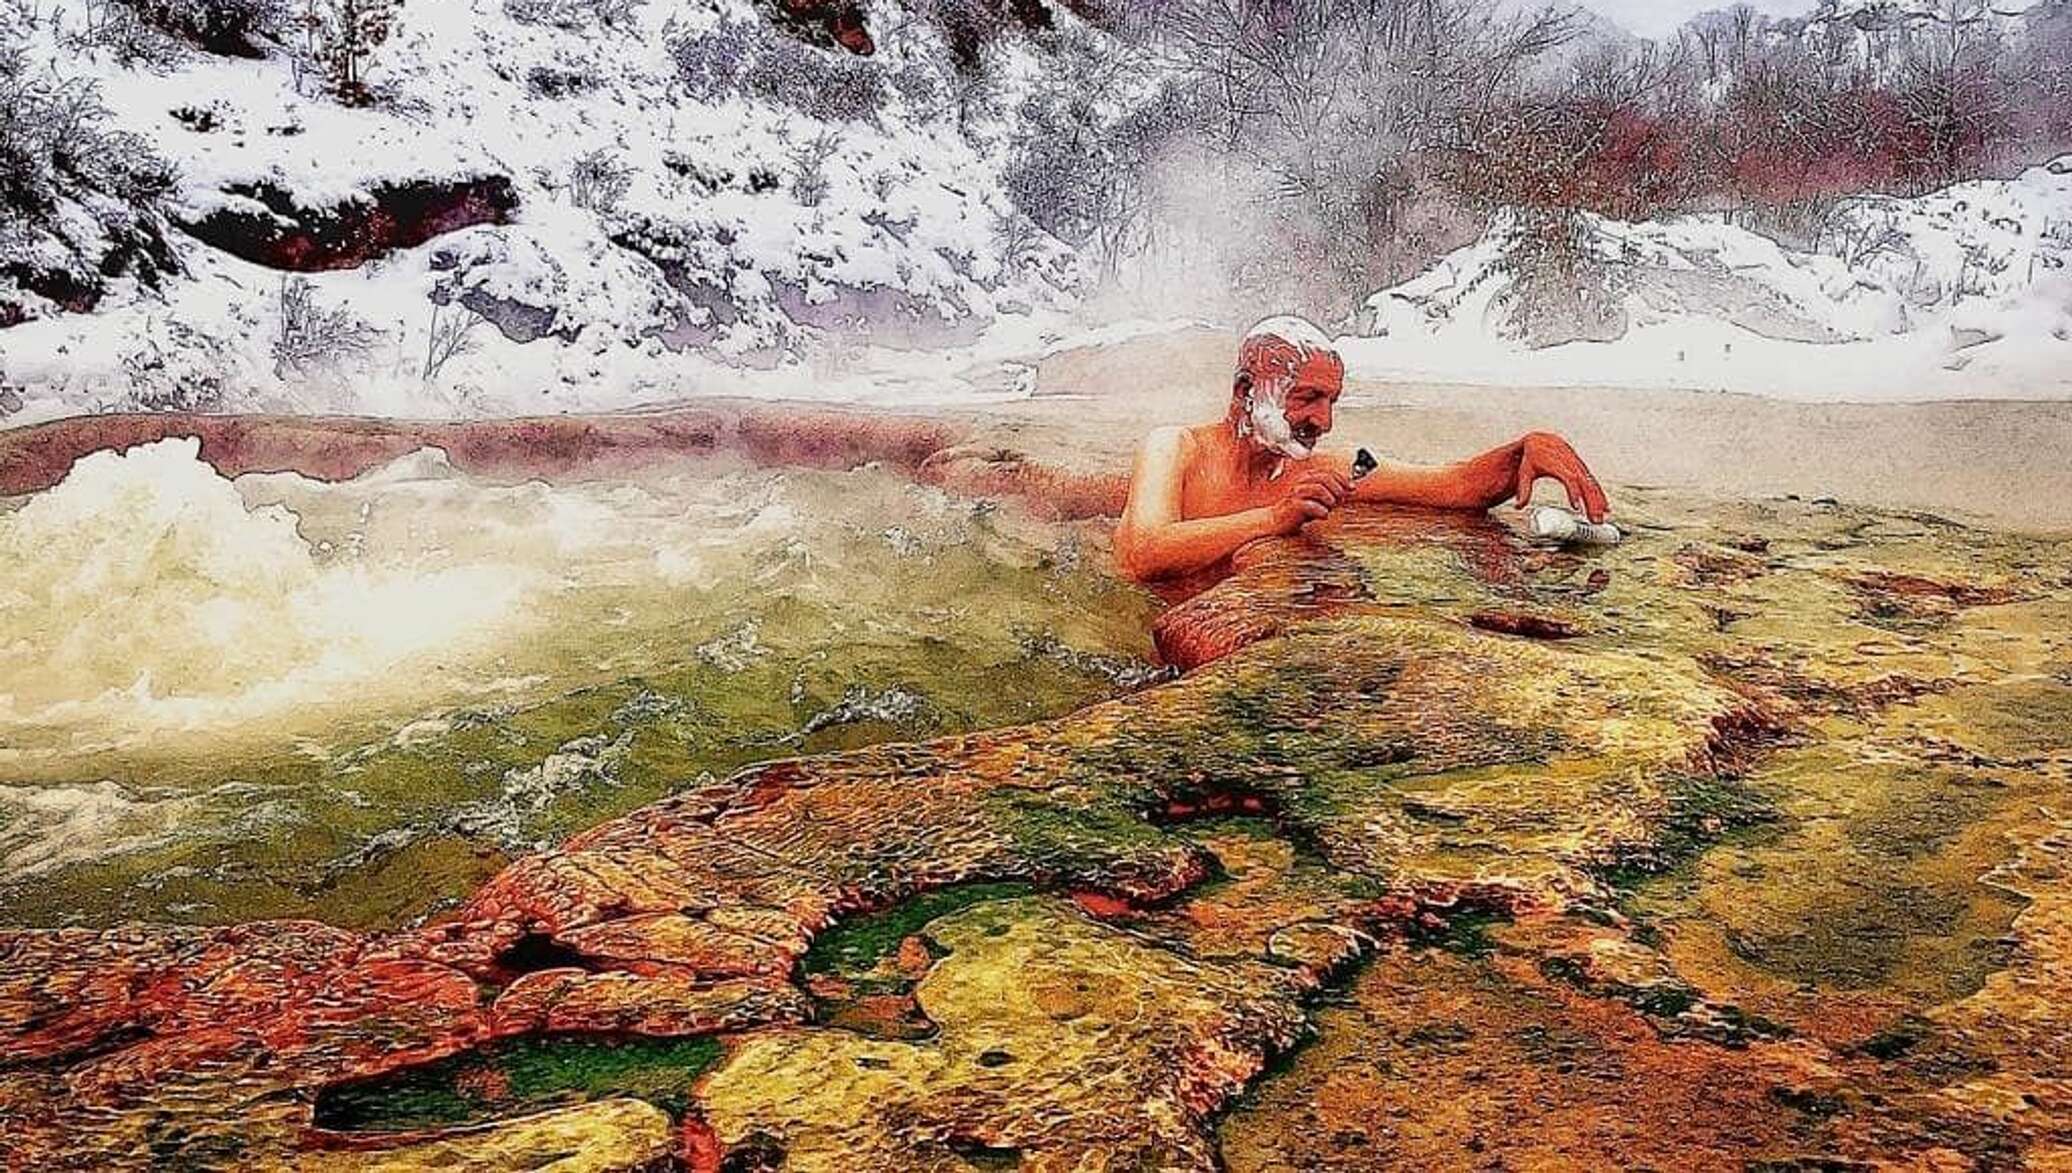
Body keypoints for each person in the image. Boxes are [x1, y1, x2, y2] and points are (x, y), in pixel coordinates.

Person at [1114, 315, 1609, 584]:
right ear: (1247, 391)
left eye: (1331, 401)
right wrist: (1274, 518)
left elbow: (1452, 484)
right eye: (1307, 398)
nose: (1323, 422)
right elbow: (1143, 554)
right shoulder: (1174, 446)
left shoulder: (1337, 467)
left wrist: (1524, 450)